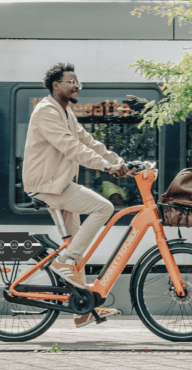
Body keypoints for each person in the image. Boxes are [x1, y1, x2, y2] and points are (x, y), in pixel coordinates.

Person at [22, 63, 136, 327]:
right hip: (48, 184)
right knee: (103, 208)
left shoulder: (66, 113)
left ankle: (82, 308)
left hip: (59, 183)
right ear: (56, 86)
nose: (77, 86)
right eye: (71, 81)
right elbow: (69, 145)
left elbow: (88, 141)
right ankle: (65, 262)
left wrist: (120, 163)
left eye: (78, 82)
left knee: (76, 244)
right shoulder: (47, 111)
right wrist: (106, 166)